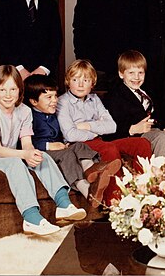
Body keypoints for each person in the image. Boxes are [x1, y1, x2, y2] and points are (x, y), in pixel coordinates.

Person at [0, 65, 86, 236]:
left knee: (43, 157)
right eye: (2, 89)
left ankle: (63, 204)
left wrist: (31, 153)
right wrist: (24, 155)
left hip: (12, 152)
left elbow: (26, 144)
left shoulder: (24, 111)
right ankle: (31, 218)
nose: (8, 95)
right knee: (15, 164)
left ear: (20, 90)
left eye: (13, 89)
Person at [56, 59, 152, 203]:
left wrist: (87, 125)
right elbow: (70, 134)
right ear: (68, 81)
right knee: (109, 148)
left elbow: (111, 126)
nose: (81, 84)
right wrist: (97, 128)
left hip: (98, 141)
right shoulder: (62, 102)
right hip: (80, 146)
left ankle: (143, 193)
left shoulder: (94, 99)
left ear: (92, 83)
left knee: (142, 143)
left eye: (86, 80)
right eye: (76, 79)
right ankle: (116, 203)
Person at [24, 74, 122, 208]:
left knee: (79, 145)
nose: (54, 101)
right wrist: (49, 145)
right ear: (34, 101)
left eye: (55, 96)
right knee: (67, 155)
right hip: (43, 151)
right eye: (49, 97)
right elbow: (25, 142)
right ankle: (87, 191)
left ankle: (91, 170)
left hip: (60, 147)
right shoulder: (28, 116)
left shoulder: (52, 114)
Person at [103, 50, 165, 165]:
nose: (136, 77)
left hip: (157, 130)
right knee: (162, 137)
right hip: (138, 135)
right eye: (131, 73)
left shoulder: (147, 91)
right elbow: (109, 127)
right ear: (121, 74)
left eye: (140, 73)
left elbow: (159, 114)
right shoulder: (115, 96)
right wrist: (131, 129)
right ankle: (164, 180)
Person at [73, 0, 130, 90]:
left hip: (125, 69)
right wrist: (84, 62)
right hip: (95, 68)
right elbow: (79, 30)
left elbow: (141, 31)